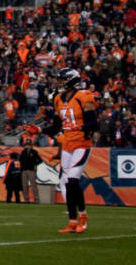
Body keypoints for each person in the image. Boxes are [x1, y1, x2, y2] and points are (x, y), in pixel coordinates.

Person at [52, 68, 98, 234]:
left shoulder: (83, 96)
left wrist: (80, 127)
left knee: (72, 180)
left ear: (71, 81)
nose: (60, 83)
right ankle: (72, 221)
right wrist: (39, 130)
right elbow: (56, 126)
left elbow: (94, 123)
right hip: (67, 145)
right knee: (65, 182)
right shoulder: (58, 99)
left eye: (63, 80)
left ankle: (83, 216)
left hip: (81, 143)